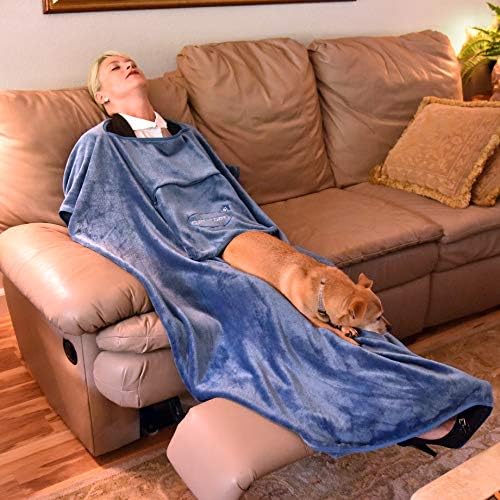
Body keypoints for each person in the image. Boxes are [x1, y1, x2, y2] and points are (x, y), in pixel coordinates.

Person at [59, 50, 493, 459]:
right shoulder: (101, 143)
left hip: (242, 234)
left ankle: (413, 385)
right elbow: (95, 211)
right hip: (196, 251)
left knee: (329, 289)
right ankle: (396, 414)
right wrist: (175, 250)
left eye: (129, 61)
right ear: (102, 96)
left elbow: (228, 190)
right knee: (265, 303)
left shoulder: (185, 135)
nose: (127, 65)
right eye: (114, 67)